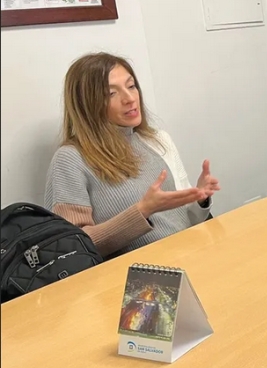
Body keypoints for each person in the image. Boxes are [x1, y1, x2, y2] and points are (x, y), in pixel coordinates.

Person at [45, 53, 220, 258]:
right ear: (87, 104)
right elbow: (72, 249)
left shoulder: (154, 141)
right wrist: (143, 210)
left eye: (131, 86)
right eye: (111, 93)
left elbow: (184, 223)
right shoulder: (70, 159)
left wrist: (200, 199)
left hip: (189, 254)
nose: (129, 98)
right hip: (139, 273)